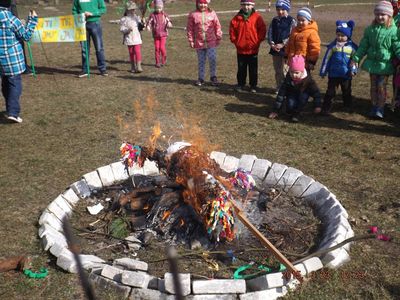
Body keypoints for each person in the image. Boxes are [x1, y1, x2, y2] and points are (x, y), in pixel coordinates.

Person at [352, 1, 400, 119]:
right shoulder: (370, 30)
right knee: (373, 87)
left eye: (383, 14)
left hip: (385, 66)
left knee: (381, 86)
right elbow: (363, 46)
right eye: (377, 14)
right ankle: (374, 106)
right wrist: (356, 58)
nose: (379, 17)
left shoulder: (394, 31)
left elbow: (397, 47)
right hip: (372, 65)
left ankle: (380, 108)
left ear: (389, 15)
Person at [0, 0, 37, 123]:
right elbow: (26, 36)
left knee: (5, 83)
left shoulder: (12, 19)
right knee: (15, 85)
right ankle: (13, 113)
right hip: (12, 60)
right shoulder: (12, 19)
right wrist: (32, 21)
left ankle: (9, 109)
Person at [319, 20, 358, 114]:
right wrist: (323, 71)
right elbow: (326, 59)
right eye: (338, 35)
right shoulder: (333, 46)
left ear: (348, 36)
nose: (340, 37)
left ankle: (347, 106)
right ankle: (326, 108)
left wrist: (353, 70)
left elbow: (355, 60)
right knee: (330, 92)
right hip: (333, 74)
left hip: (346, 74)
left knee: (346, 91)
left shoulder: (352, 47)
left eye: (342, 35)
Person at [268, 55, 322, 122]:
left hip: (303, 94)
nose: (294, 75)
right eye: (291, 72)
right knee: (290, 106)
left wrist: (318, 106)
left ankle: (297, 113)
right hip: (292, 94)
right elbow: (281, 95)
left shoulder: (308, 80)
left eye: (296, 73)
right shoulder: (288, 79)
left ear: (302, 72)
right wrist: (275, 110)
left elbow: (316, 93)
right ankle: (290, 109)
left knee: (302, 99)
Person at [230, 0, 266, 93]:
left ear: (252, 5)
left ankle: (253, 85)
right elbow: (232, 31)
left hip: (253, 49)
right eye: (244, 4)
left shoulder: (257, 17)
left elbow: (262, 29)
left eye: (248, 5)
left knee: (253, 68)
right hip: (241, 50)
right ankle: (241, 84)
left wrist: (258, 41)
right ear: (241, 5)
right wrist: (236, 42)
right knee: (241, 68)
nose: (246, 7)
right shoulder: (236, 18)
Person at [187, 0, 222, 86]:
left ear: (207, 3)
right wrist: (191, 40)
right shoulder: (193, 14)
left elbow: (217, 25)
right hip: (199, 43)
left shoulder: (212, 13)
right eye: (201, 3)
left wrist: (218, 36)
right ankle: (201, 78)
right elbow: (190, 29)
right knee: (201, 61)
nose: (203, 5)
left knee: (212, 59)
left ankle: (213, 77)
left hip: (211, 42)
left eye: (204, 3)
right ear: (197, 3)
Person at [72, 0, 108, 77]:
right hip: (82, 25)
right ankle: (85, 70)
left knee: (99, 48)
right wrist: (78, 17)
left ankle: (102, 69)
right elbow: (74, 10)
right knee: (84, 49)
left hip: (95, 24)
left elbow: (103, 9)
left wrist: (92, 14)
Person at [267, 0, 296, 93]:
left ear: (287, 9)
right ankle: (279, 86)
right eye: (278, 9)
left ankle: (286, 88)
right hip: (275, 49)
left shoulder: (291, 21)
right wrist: (271, 43)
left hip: (286, 50)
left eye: (283, 9)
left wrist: (283, 44)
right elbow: (270, 32)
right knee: (278, 70)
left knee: (285, 70)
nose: (280, 12)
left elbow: (293, 35)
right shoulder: (274, 20)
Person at [286, 7, 320, 72]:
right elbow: (289, 44)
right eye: (298, 20)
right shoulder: (294, 30)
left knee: (303, 81)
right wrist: (286, 55)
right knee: (289, 80)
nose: (300, 22)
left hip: (304, 63)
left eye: (303, 20)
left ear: (309, 21)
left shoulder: (312, 32)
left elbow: (315, 48)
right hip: (293, 62)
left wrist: (312, 62)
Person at [146, 0, 172, 68]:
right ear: (154, 7)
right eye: (157, 8)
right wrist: (148, 26)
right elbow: (149, 22)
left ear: (162, 8)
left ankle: (163, 60)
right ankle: (157, 62)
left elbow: (168, 20)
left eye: (160, 8)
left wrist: (169, 23)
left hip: (163, 34)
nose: (158, 9)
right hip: (156, 34)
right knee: (157, 48)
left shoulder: (164, 15)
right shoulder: (152, 15)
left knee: (162, 48)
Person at [120, 1, 144, 73]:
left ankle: (139, 66)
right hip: (129, 38)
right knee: (131, 53)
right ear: (127, 10)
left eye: (134, 9)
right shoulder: (124, 19)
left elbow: (140, 27)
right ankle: (133, 66)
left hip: (136, 38)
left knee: (137, 51)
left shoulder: (137, 18)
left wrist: (143, 24)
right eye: (132, 9)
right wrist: (127, 30)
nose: (133, 10)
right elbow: (121, 29)